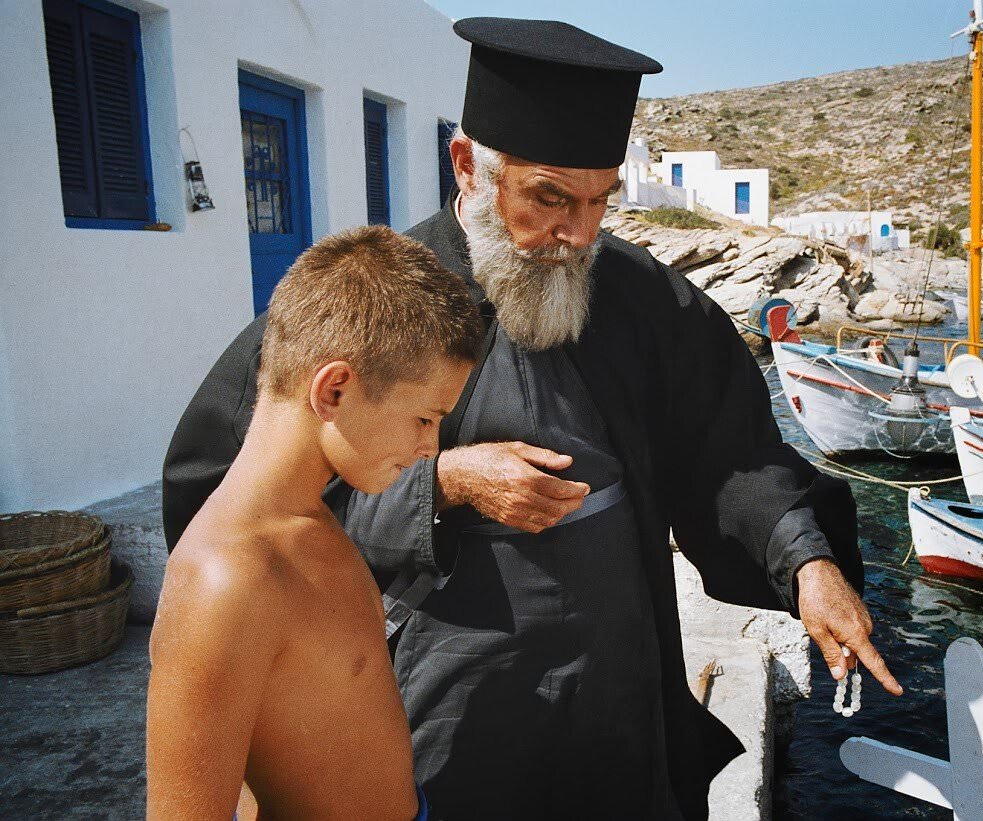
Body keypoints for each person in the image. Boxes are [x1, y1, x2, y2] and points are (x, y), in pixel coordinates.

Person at [163, 18, 902, 819]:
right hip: (453, 686)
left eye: (597, 202)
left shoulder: (645, 298)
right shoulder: (377, 304)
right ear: (468, 168)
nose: (576, 234)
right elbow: (238, 496)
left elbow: (729, 453)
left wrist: (805, 562)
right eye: (548, 197)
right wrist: (441, 481)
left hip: (620, 681)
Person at [147, 226, 480, 820]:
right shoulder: (224, 579)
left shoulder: (310, 522)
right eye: (425, 418)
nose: (431, 448)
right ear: (335, 390)